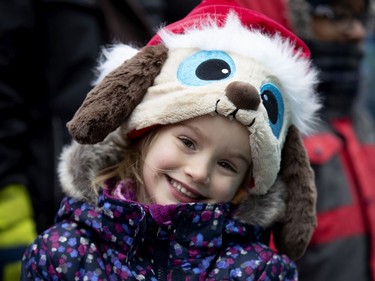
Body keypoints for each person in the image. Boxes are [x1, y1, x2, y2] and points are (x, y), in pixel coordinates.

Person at [21, 0, 321, 279]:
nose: (199, 171)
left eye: (228, 164)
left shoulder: (259, 271)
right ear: (147, 130)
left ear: (247, 182)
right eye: (188, 143)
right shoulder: (62, 253)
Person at [285, 0, 375, 280]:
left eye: (361, 18)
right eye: (338, 15)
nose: (357, 32)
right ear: (297, 19)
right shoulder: (282, 125)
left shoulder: (361, 120)